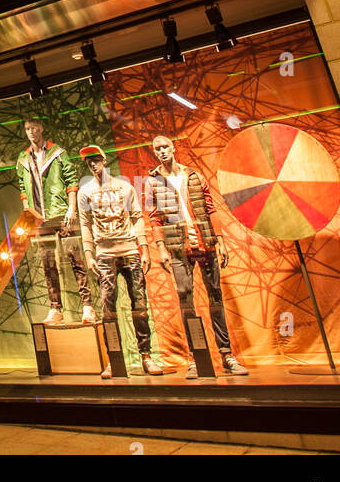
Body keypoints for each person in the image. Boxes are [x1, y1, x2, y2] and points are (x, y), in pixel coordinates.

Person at [143, 135, 249, 378]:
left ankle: (227, 355)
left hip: (206, 242)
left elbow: (210, 208)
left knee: (215, 297)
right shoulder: (151, 181)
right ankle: (195, 357)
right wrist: (160, 248)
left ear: (173, 148)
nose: (161, 151)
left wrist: (220, 240)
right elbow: (154, 217)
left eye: (164, 147)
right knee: (185, 300)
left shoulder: (193, 175)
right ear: (154, 152)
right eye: (157, 149)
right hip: (178, 247)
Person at [77, 145, 163, 378]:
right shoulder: (84, 192)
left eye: (96, 160)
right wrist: (88, 253)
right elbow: (84, 224)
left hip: (129, 250)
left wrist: (143, 248)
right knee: (108, 308)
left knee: (140, 304)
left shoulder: (125, 187)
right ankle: (115, 358)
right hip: (105, 254)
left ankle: (146, 355)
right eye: (89, 162)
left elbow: (137, 217)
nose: (93, 165)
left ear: (104, 160)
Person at [16, 118, 95, 325]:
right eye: (27, 129)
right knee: (48, 264)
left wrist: (71, 208)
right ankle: (55, 307)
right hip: (40, 219)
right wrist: (27, 210)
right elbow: (22, 187)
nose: (31, 132)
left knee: (75, 260)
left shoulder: (57, 153)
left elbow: (71, 180)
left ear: (42, 128)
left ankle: (87, 305)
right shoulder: (23, 158)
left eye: (34, 127)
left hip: (61, 214)